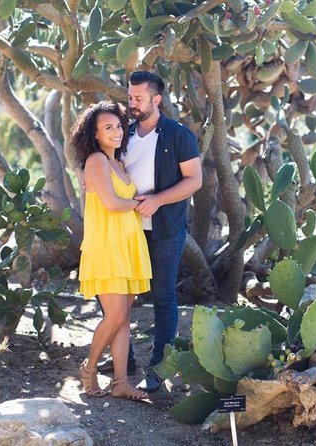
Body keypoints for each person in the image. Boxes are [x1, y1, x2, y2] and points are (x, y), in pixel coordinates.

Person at [124, 71, 202, 392]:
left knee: (163, 295)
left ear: (156, 100)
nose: (132, 104)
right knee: (119, 293)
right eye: (130, 97)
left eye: (138, 98)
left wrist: (157, 200)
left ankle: (159, 367)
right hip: (126, 228)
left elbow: (194, 180)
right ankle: (123, 357)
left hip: (166, 228)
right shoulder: (124, 133)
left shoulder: (179, 135)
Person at [72, 101, 152, 401]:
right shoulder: (96, 160)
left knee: (123, 317)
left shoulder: (117, 161)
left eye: (118, 126)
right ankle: (89, 368)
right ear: (94, 134)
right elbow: (112, 203)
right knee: (116, 314)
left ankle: (120, 383)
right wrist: (141, 203)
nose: (117, 132)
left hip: (127, 245)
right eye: (108, 128)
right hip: (107, 246)